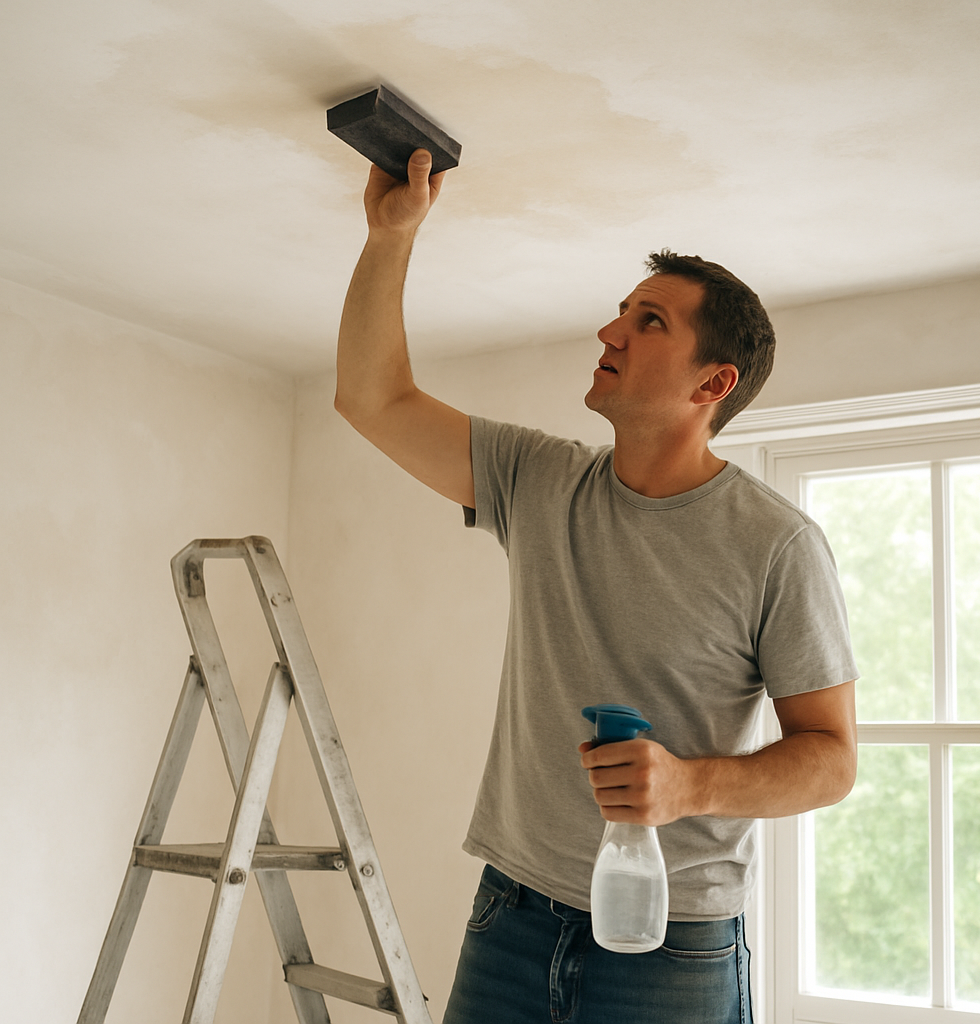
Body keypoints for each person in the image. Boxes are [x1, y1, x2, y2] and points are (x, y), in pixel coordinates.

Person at [334, 149, 858, 1024]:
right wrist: (391, 236)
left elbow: (831, 760)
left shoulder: (778, 546)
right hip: (511, 914)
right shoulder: (539, 480)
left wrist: (691, 788)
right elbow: (371, 398)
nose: (610, 333)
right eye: (621, 314)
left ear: (713, 383)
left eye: (649, 322)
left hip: (675, 942)